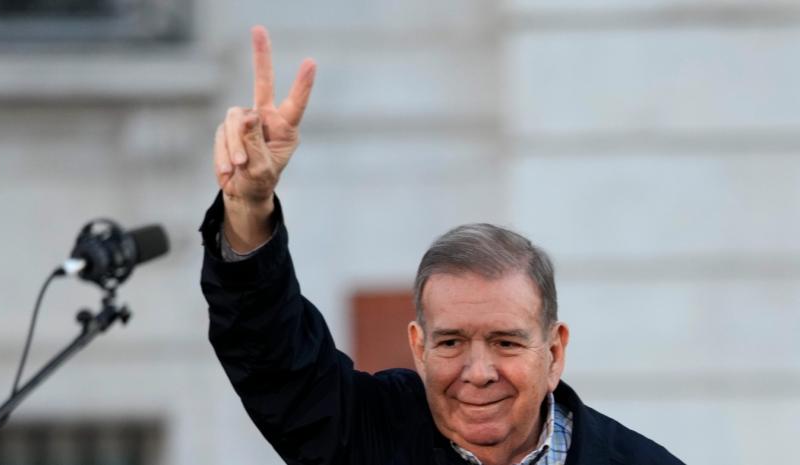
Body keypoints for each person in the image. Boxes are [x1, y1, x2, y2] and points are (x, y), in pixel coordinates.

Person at [200, 25, 686, 465]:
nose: (478, 372)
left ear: (554, 352)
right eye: (451, 342)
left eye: (506, 342)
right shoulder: (372, 436)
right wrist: (249, 203)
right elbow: (273, 356)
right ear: (419, 347)